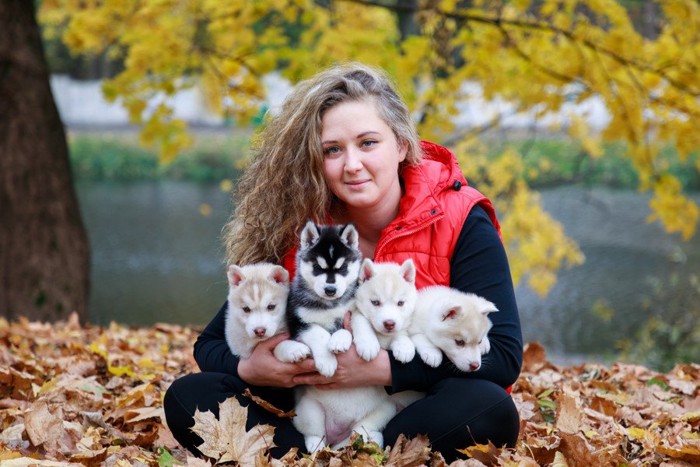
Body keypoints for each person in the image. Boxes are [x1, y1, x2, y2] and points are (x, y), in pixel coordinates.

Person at [163, 62, 523, 462]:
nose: (351, 164)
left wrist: (381, 370)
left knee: (490, 409)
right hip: (312, 410)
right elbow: (210, 345)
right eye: (332, 150)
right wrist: (252, 368)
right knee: (187, 397)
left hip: (406, 412)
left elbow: (503, 358)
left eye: (368, 143)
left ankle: (366, 452)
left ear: (401, 144)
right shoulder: (307, 229)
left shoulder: (460, 218)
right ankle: (316, 456)